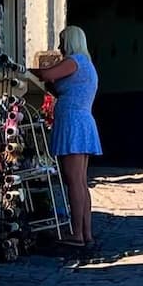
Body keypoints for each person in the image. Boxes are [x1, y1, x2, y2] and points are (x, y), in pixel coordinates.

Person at [34, 26, 101, 246]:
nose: (60, 46)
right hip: (82, 122)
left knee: (73, 181)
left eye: (62, 41)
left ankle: (77, 233)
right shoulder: (86, 64)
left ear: (70, 41)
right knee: (80, 181)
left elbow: (47, 74)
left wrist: (29, 71)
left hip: (73, 123)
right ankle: (86, 232)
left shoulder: (74, 61)